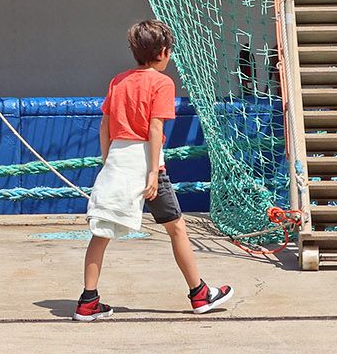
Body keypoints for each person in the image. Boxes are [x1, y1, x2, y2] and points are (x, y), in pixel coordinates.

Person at [75, 20, 237, 322]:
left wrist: (109, 161)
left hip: (118, 160)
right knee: (176, 228)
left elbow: (105, 125)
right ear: (163, 52)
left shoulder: (118, 81)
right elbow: (155, 127)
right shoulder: (162, 83)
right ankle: (199, 294)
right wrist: (151, 174)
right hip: (148, 163)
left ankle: (88, 301)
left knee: (100, 232)